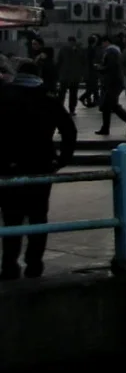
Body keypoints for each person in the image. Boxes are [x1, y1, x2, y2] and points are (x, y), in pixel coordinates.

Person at [0, 60, 78, 279]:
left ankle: (9, 265)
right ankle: (34, 264)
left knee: (11, 217)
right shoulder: (47, 98)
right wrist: (62, 159)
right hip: (40, 163)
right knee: (38, 215)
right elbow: (69, 130)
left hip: (9, 165)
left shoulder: (4, 96)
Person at [95, 36, 126, 138]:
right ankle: (105, 128)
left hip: (113, 83)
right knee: (107, 106)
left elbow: (111, 67)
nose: (102, 45)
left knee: (112, 106)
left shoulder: (111, 52)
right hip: (113, 82)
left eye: (102, 43)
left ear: (106, 42)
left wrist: (100, 68)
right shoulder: (114, 51)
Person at [55, 36, 88, 115]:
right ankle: (71, 110)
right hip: (73, 75)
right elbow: (84, 63)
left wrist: (57, 73)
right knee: (71, 93)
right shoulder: (79, 50)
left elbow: (59, 62)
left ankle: (63, 109)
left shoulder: (64, 49)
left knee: (64, 93)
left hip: (66, 75)